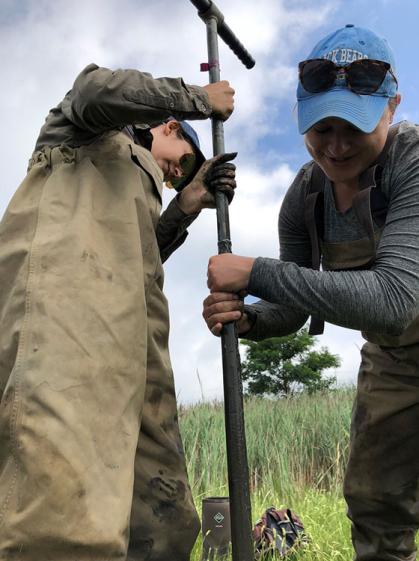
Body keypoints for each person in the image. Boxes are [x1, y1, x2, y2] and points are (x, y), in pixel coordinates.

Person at [0, 63, 237, 561]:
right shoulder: (87, 127)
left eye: (184, 178)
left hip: (131, 346)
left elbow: (135, 256)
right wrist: (195, 97)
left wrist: (188, 204)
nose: (177, 176)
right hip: (63, 330)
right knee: (63, 513)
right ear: (168, 126)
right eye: (183, 162)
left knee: (163, 515)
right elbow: (95, 89)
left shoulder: (146, 189)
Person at [203, 24, 419, 561]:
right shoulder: (306, 196)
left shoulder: (412, 164)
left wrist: (255, 272)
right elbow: (294, 310)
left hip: (397, 319)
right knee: (375, 501)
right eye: (322, 127)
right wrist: (251, 318)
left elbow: (395, 299)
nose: (336, 144)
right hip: (394, 359)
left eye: (354, 125)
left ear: (391, 108)